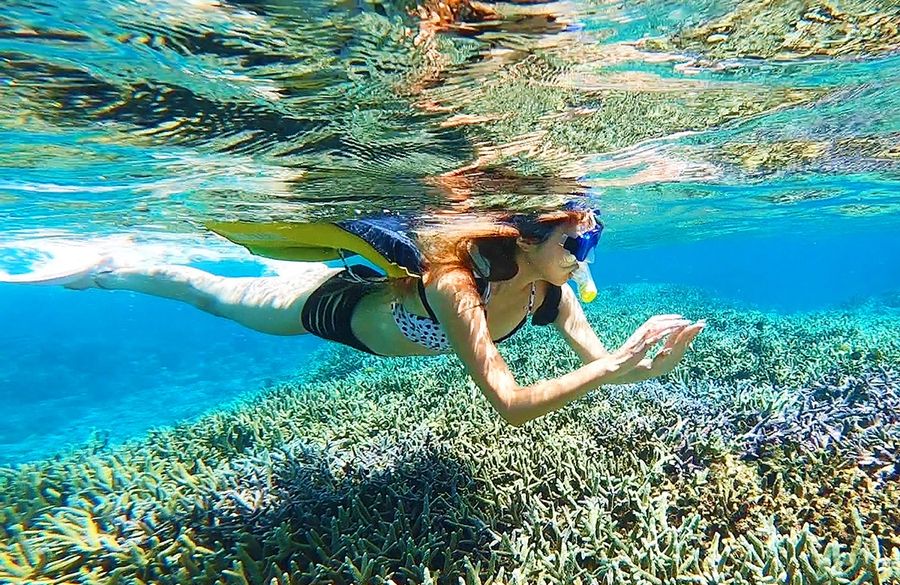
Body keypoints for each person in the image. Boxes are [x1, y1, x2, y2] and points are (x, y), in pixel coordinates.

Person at [2, 207, 704, 426]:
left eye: (592, 245)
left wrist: (638, 367)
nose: (584, 258)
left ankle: (118, 265)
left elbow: (603, 367)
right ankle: (106, 268)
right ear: (524, 237)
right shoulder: (457, 284)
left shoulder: (552, 291)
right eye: (576, 245)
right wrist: (616, 366)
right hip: (331, 309)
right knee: (210, 293)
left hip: (373, 291)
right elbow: (511, 405)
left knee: (247, 284)